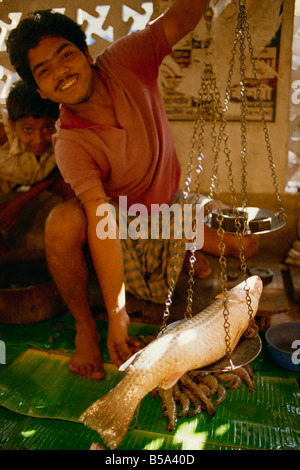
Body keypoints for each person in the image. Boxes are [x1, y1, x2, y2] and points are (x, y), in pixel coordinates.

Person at [7, 2, 258, 381]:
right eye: (44, 71)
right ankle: (86, 328)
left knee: (248, 245)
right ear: (40, 90)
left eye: (65, 55)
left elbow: (181, 17)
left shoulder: (125, 58)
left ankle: (183, 248)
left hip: (170, 209)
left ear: (86, 53)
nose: (61, 71)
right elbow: (101, 216)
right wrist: (117, 313)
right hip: (127, 222)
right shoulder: (70, 144)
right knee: (62, 221)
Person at [0, 80, 74, 247]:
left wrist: (21, 201)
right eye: (27, 129)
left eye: (48, 128)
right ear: (13, 125)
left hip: (40, 178)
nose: (39, 140)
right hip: (6, 181)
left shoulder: (65, 133)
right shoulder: (3, 134)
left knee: (71, 187)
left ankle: (68, 240)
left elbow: (60, 172)